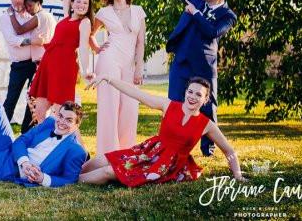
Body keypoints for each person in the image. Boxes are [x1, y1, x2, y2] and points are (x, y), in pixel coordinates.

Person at [136, 0, 237, 156]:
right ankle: (168, 142)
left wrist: (195, 13)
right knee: (174, 102)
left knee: (208, 107)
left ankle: (208, 148)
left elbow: (212, 32)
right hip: (181, 60)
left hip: (204, 65)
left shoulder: (228, 15)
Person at [78, 76, 245, 186]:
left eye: (198, 94)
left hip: (166, 166)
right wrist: (108, 78)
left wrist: (237, 174)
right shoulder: (168, 105)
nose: (192, 97)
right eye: (190, 92)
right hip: (148, 152)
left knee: (110, 171)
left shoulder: (206, 124)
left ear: (206, 99)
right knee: (103, 159)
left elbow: (229, 151)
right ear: (185, 92)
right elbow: (137, 94)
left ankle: (71, 181)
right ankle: (71, 173)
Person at [27, 0, 93, 124]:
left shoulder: (85, 22)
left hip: (65, 66)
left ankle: (69, 139)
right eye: (78, 1)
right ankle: (44, 140)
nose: (81, 5)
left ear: (88, 7)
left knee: (60, 112)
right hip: (49, 63)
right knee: (39, 111)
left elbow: (83, 48)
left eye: (85, 3)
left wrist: (85, 70)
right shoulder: (66, 16)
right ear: (72, 4)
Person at [90, 0, 146, 155]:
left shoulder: (138, 11)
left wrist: (139, 68)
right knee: (109, 107)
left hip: (129, 64)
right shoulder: (103, 12)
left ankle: (126, 154)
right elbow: (90, 34)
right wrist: (98, 49)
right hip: (109, 60)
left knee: (130, 107)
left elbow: (140, 43)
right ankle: (107, 155)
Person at [4, 0, 55, 131]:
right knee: (33, 99)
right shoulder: (49, 17)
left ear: (39, 3)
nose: (28, 8)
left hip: (40, 63)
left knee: (33, 100)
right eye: (26, 6)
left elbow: (19, 30)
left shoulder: (40, 16)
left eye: (31, 5)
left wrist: (11, 14)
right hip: (41, 61)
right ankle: (27, 130)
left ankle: (27, 130)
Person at [0, 0, 36, 132]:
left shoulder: (32, 15)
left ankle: (27, 131)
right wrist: (33, 41)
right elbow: (11, 39)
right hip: (18, 65)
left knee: (33, 99)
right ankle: (2, 131)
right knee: (11, 99)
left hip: (34, 64)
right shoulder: (5, 17)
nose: (18, 0)